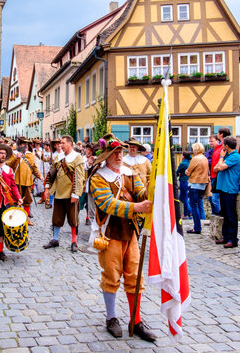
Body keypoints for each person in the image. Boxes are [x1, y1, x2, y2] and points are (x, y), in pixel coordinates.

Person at [88, 134, 156, 342]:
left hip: (131, 233)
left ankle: (136, 320)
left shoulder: (130, 174)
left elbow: (140, 193)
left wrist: (151, 190)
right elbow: (107, 204)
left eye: (120, 152)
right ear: (106, 156)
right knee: (111, 276)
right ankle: (111, 318)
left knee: (135, 278)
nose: (119, 156)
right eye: (114, 153)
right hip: (110, 233)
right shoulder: (98, 178)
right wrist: (137, 207)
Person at [43, 135, 85, 253]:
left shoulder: (77, 158)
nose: (60, 145)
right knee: (57, 217)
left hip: (71, 193)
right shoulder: (58, 157)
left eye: (63, 143)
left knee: (73, 219)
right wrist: (47, 188)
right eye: (60, 143)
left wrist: (76, 194)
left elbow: (79, 177)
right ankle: (55, 239)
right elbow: (51, 173)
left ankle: (74, 241)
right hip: (59, 193)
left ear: (70, 144)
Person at [8, 137, 44, 226]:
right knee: (16, 200)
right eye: (24, 144)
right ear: (19, 145)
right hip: (16, 181)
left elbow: (34, 167)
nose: (26, 146)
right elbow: (8, 165)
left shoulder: (30, 155)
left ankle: (26, 218)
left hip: (28, 181)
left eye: (26, 144)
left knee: (27, 201)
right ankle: (16, 218)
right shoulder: (13, 154)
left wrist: (39, 175)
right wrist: (16, 158)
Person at [214, 136, 240, 248]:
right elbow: (216, 168)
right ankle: (225, 236)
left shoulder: (235, 156)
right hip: (223, 188)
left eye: (223, 144)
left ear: (226, 146)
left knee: (231, 215)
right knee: (225, 214)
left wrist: (221, 158)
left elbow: (219, 168)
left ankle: (233, 239)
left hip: (230, 189)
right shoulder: (228, 156)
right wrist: (220, 162)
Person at [185, 142, 209, 234]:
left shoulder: (195, 159)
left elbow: (188, 171)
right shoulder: (205, 158)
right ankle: (198, 226)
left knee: (194, 206)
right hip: (203, 184)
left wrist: (186, 171)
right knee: (199, 205)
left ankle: (197, 228)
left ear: (195, 149)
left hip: (195, 183)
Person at [205, 134, 221, 215]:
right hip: (211, 177)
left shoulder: (221, 150)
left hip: (218, 177)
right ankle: (214, 215)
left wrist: (208, 161)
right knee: (210, 198)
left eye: (212, 141)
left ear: (218, 141)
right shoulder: (210, 152)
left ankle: (218, 216)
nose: (210, 143)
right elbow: (205, 160)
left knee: (214, 199)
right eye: (209, 141)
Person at [176, 151, 192, 219]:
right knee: (183, 198)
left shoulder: (183, 164)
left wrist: (178, 174)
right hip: (189, 181)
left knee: (184, 198)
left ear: (184, 156)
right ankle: (189, 212)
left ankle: (187, 213)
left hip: (183, 181)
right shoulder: (190, 162)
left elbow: (177, 172)